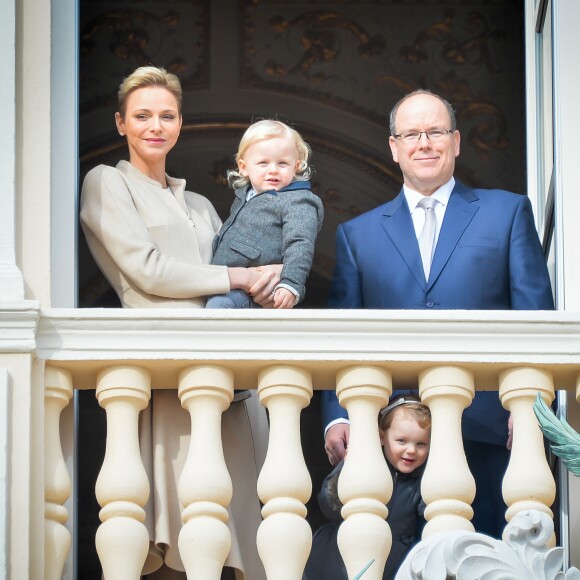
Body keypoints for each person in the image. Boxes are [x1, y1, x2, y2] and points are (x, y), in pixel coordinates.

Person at [322, 89, 554, 538]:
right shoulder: (357, 234)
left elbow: (535, 319)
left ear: (457, 141)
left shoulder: (507, 212)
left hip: (488, 429)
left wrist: (531, 409)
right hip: (392, 443)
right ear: (394, 146)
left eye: (435, 131)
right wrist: (338, 414)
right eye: (411, 133)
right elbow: (342, 335)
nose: (424, 143)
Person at [80, 65, 279, 579]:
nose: (155, 126)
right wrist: (238, 276)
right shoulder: (106, 182)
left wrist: (272, 277)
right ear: (121, 123)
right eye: (142, 115)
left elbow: (235, 277)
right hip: (170, 380)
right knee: (180, 539)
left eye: (166, 116)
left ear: (180, 123)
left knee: (241, 536)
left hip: (230, 378)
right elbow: (146, 271)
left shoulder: (201, 204)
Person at [304, 395, 431, 580]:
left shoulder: (420, 480)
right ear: (381, 437)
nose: (411, 450)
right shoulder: (362, 461)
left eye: (421, 444)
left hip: (391, 559)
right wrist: (345, 472)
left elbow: (431, 515)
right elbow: (327, 504)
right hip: (340, 554)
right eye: (401, 441)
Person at [206, 120, 324, 309]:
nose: (273, 170)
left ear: (296, 166)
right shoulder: (245, 196)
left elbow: (300, 244)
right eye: (263, 163)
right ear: (243, 167)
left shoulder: (299, 201)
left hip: (252, 292)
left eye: (283, 163)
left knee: (219, 307)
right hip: (224, 281)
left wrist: (290, 284)